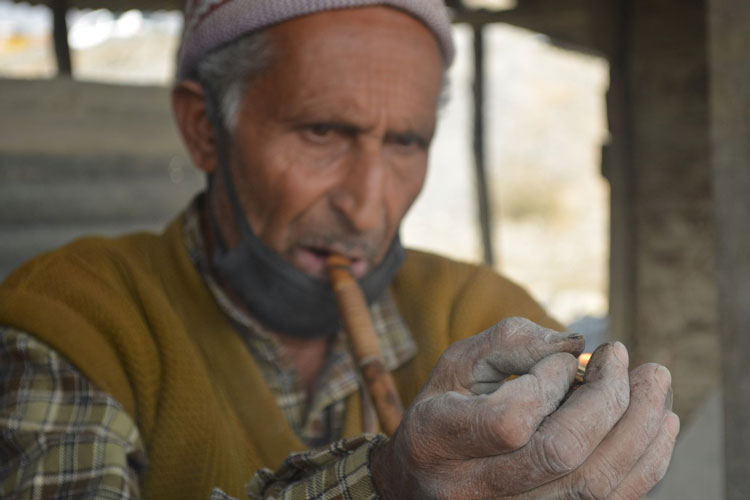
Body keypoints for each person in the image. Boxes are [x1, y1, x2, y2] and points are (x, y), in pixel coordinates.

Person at [0, 1, 679, 499]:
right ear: (205, 129)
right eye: (322, 132)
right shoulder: (76, 316)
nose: (366, 204)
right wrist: (386, 484)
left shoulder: (482, 311)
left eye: (405, 143)